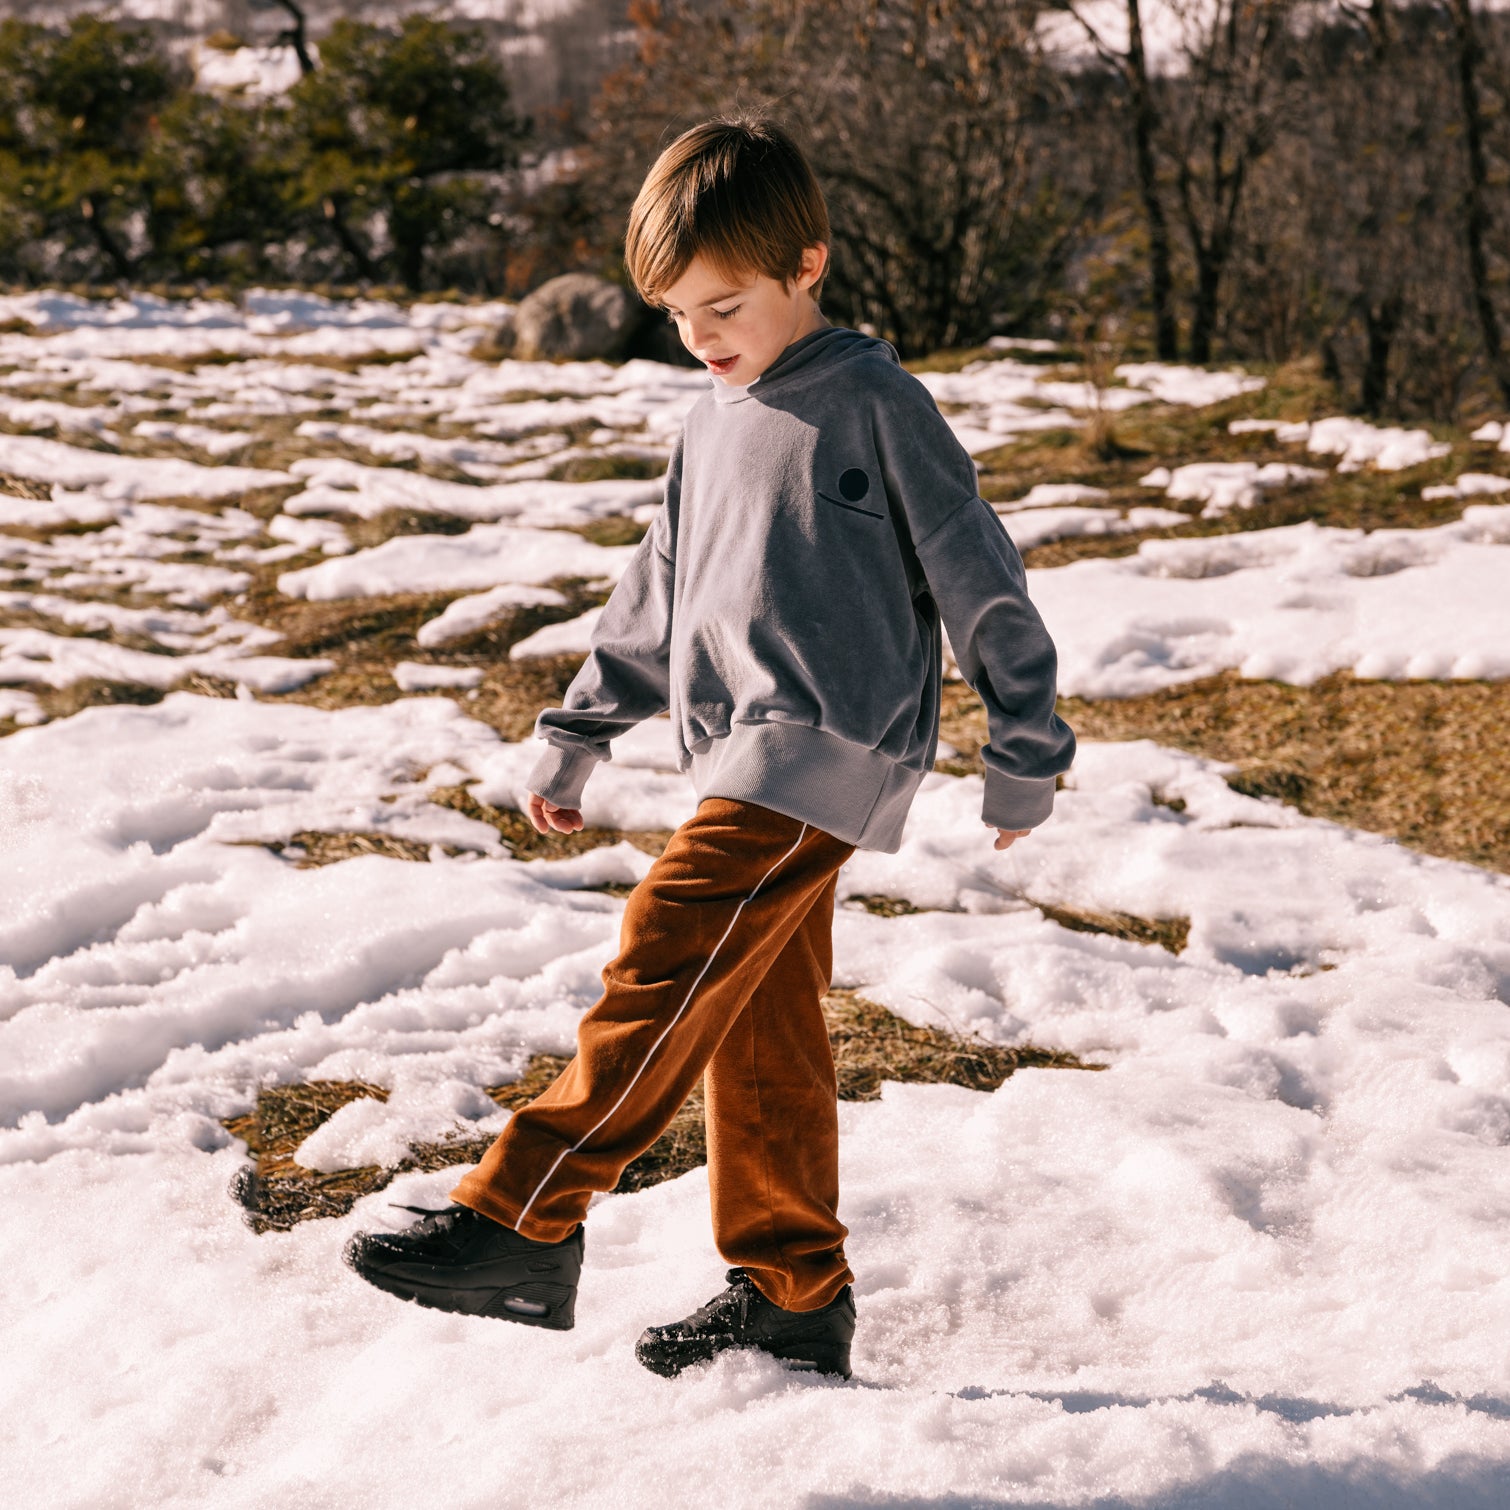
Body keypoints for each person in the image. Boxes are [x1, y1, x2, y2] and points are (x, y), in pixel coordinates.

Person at [345, 115, 1076, 1381]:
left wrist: (1026, 742)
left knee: (665, 954)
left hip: (825, 745)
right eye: (677, 311)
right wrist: (579, 728)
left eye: (723, 303)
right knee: (757, 1020)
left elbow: (979, 573)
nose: (701, 334)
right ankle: (793, 1288)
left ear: (808, 263)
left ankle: (522, 1212)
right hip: (736, 748)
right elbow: (658, 591)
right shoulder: (711, 416)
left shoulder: (874, 401)